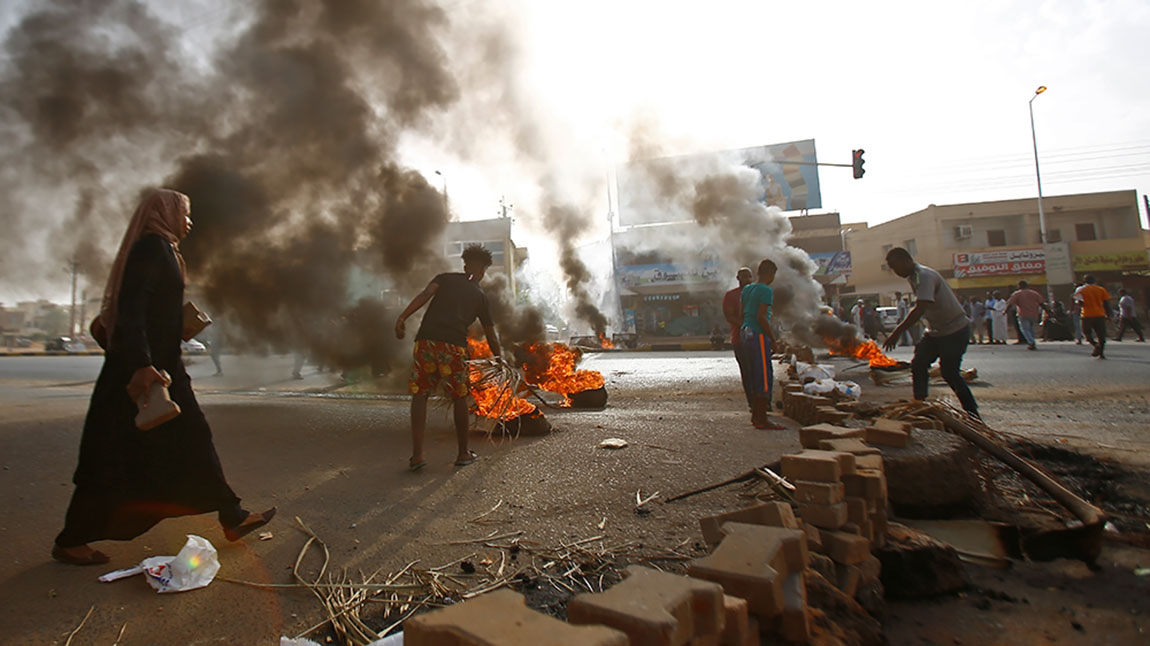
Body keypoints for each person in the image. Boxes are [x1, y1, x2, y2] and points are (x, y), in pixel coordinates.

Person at [53, 189, 275, 566]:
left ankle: (231, 514)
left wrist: (179, 324)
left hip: (163, 368)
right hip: (142, 374)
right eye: (185, 214)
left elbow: (152, 310)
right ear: (165, 212)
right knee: (110, 457)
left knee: (192, 439)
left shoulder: (166, 249)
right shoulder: (151, 248)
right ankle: (72, 539)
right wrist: (141, 364)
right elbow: (133, 310)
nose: (189, 222)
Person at [395, 244, 502, 470]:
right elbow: (491, 334)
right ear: (483, 271)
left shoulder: (443, 278)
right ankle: (463, 454)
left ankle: (417, 456)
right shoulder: (480, 297)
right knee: (459, 397)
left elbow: (425, 295)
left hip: (426, 342)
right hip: (453, 348)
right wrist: (499, 358)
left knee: (420, 394)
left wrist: (402, 317)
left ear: (465, 265)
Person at [882, 247, 979, 418]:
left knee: (949, 372)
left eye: (896, 267)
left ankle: (972, 413)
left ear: (906, 261)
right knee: (919, 364)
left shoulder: (924, 276)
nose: (895, 272)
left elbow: (921, 307)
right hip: (936, 332)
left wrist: (897, 332)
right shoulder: (914, 277)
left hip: (954, 330)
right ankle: (920, 404)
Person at [740, 259, 784, 430]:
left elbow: (742, 313)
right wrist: (772, 338)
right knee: (764, 376)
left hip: (746, 332)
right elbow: (761, 316)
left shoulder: (747, 289)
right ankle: (761, 419)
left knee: (754, 374)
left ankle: (756, 417)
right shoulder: (766, 290)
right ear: (771, 274)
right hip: (758, 334)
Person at [722, 267, 755, 410]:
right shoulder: (731, 296)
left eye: (749, 276)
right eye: (744, 277)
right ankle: (752, 402)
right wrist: (746, 325)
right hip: (739, 340)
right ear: (738, 278)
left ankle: (763, 402)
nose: (747, 279)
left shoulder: (756, 294)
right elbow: (729, 317)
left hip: (757, 339)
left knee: (758, 371)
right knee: (747, 372)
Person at [1004, 280, 1049, 351]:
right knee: (1031, 329)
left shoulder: (1017, 294)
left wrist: (1005, 311)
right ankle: (1031, 341)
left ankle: (1031, 342)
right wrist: (1048, 311)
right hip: (1034, 314)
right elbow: (1041, 303)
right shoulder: (1034, 293)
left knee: (1025, 329)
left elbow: (1010, 304)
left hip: (1023, 314)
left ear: (1019, 286)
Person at [1076, 275, 1112, 359]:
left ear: (1084, 281)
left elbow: (1079, 302)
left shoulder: (1081, 289)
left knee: (1087, 333)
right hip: (1100, 314)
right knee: (1101, 335)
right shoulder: (1101, 289)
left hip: (1087, 315)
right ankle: (1101, 354)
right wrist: (1109, 314)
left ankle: (1096, 345)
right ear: (1094, 281)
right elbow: (1106, 303)